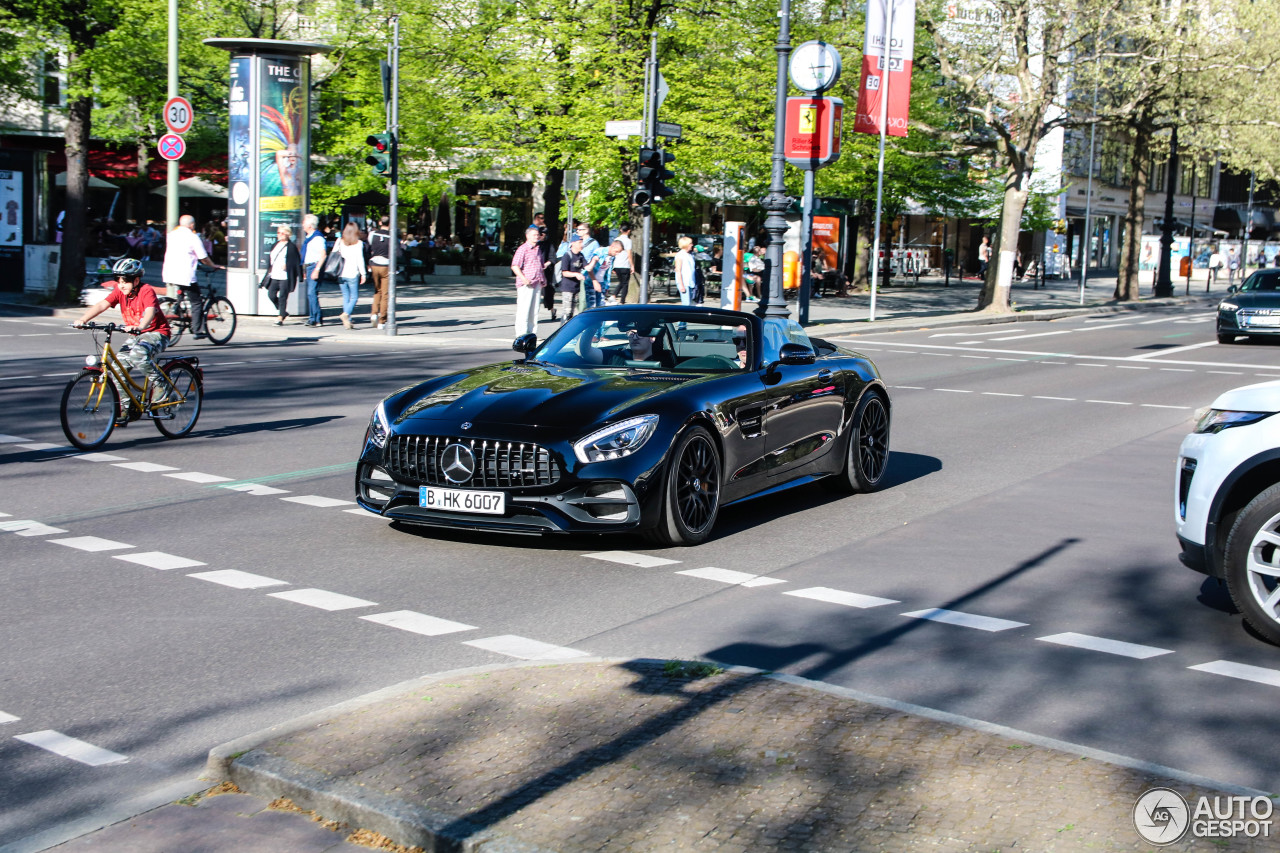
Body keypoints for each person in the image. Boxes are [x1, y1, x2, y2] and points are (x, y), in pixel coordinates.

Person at [74, 258, 173, 423]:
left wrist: (141, 326)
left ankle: (161, 384)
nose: (121, 284)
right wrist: (83, 320)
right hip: (136, 335)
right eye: (118, 280)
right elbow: (102, 305)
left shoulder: (146, 290)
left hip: (157, 333)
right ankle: (127, 409)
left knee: (138, 355)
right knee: (116, 370)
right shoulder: (119, 292)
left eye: (125, 281)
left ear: (136, 280)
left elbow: (150, 311)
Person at [162, 214, 224, 337]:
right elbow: (203, 257)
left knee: (182, 292)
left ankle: (176, 307)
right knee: (196, 302)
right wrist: (213, 265)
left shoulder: (172, 235)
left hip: (170, 272)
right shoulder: (192, 237)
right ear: (192, 225)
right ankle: (197, 330)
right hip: (185, 274)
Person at [510, 225, 546, 337]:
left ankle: (531, 333)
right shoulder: (523, 249)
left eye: (537, 235)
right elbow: (515, 265)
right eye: (534, 235)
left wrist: (543, 279)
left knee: (534, 310)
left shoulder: (538, 249)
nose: (537, 237)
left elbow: (540, 266)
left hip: (537, 282)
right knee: (524, 310)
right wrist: (523, 278)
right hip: (526, 283)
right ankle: (521, 334)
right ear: (527, 236)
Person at [263, 224, 302, 326]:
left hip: (285, 276)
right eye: (278, 232)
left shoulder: (291, 247)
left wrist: (287, 265)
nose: (279, 235)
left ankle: (280, 318)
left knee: (283, 297)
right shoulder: (275, 245)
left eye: (282, 233)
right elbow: (270, 260)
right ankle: (283, 311)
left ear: (287, 234)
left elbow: (296, 261)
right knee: (271, 294)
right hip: (274, 274)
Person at [334, 222, 367, 328]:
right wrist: (363, 273)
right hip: (352, 273)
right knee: (354, 297)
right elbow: (360, 260)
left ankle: (348, 319)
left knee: (345, 296)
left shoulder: (339, 241)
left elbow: (334, 254)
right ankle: (346, 314)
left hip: (340, 273)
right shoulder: (358, 243)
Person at [366, 215, 394, 328]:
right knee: (385, 293)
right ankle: (382, 320)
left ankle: (373, 314)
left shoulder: (372, 234)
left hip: (374, 264)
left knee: (377, 290)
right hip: (386, 265)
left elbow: (367, 249)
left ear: (379, 222)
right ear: (390, 223)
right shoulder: (391, 236)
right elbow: (398, 253)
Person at [301, 213, 328, 327]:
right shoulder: (309, 238)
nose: (302, 225)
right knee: (311, 293)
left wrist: (317, 269)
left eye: (304, 223)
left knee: (311, 293)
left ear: (310, 225)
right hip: (309, 267)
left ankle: (315, 319)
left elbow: (323, 254)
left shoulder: (317, 238)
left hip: (314, 266)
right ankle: (315, 317)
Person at [557, 233, 587, 324]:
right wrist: (576, 274)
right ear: (573, 243)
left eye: (582, 242)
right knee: (567, 311)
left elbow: (587, 267)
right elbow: (564, 272)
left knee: (574, 312)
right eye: (579, 242)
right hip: (567, 288)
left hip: (577, 288)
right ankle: (562, 331)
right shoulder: (567, 255)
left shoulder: (581, 256)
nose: (581, 244)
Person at [584, 239, 614, 309]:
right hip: (591, 281)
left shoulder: (612, 257)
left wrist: (607, 286)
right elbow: (590, 269)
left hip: (602, 282)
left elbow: (608, 272)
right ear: (612, 247)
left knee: (601, 305)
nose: (617, 253)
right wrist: (594, 281)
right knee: (592, 305)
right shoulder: (600, 251)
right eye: (616, 251)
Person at [613, 223, 635, 304]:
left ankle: (614, 295)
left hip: (617, 264)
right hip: (625, 264)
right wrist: (632, 265)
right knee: (625, 283)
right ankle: (622, 300)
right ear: (628, 231)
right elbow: (629, 253)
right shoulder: (628, 241)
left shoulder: (616, 239)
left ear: (620, 230)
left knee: (621, 281)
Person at [673, 235, 696, 306]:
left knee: (692, 303)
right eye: (690, 243)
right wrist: (681, 285)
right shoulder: (680, 255)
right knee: (686, 303)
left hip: (691, 282)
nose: (692, 245)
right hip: (684, 282)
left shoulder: (690, 255)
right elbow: (678, 270)